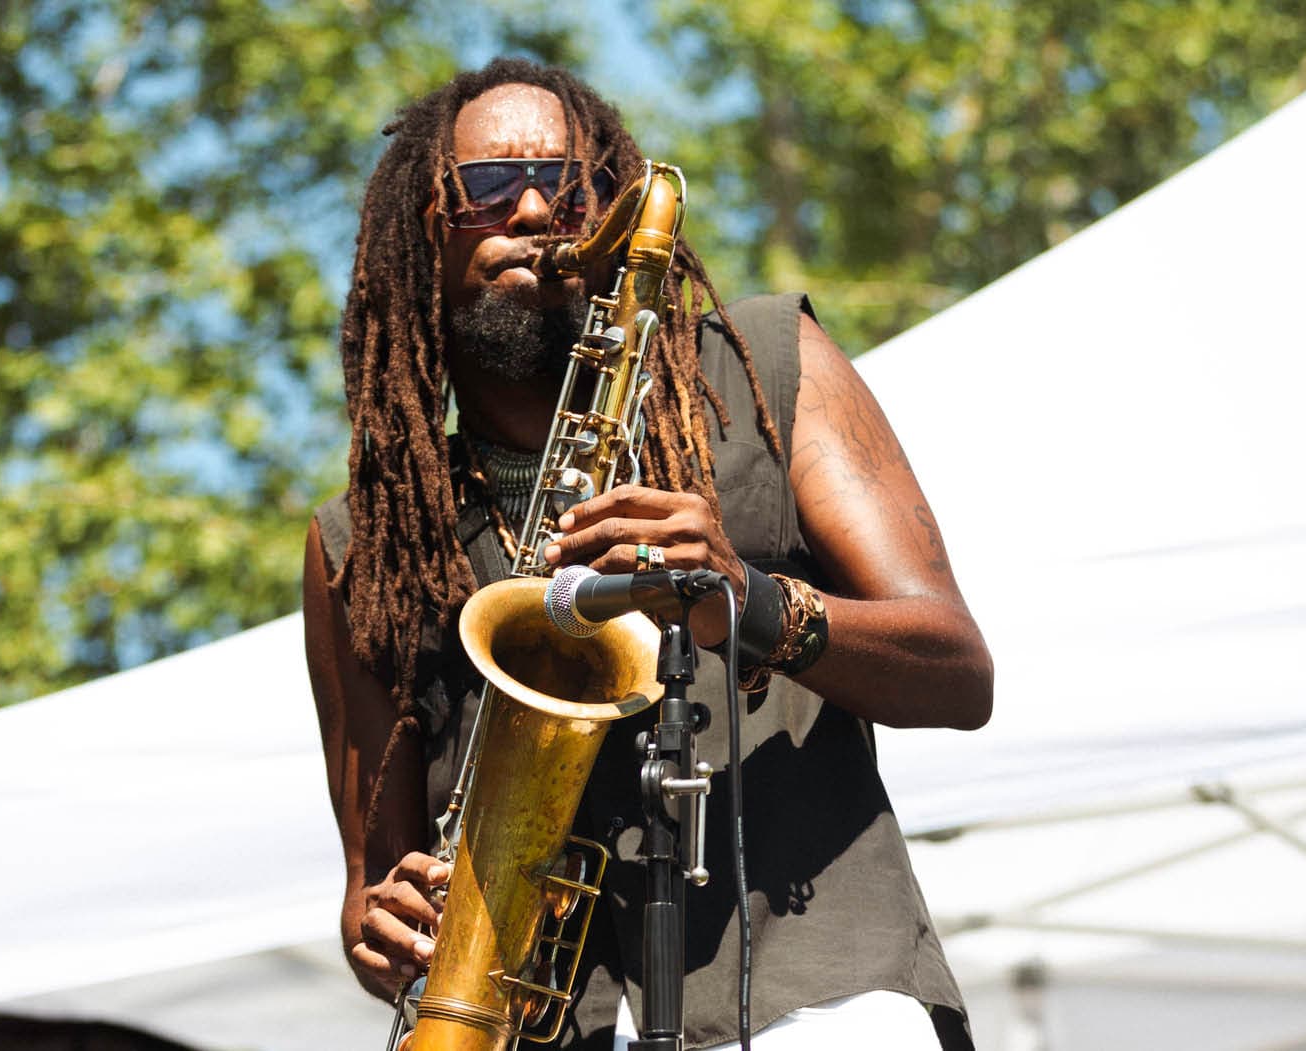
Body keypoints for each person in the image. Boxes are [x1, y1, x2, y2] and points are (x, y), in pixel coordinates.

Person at [302, 58, 993, 1051]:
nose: (535, 208)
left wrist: (748, 602)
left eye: (570, 186)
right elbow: (373, 885)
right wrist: (381, 926)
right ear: (418, 234)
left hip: (820, 1011)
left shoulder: (766, 368)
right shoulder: (362, 541)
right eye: (489, 190)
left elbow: (959, 673)